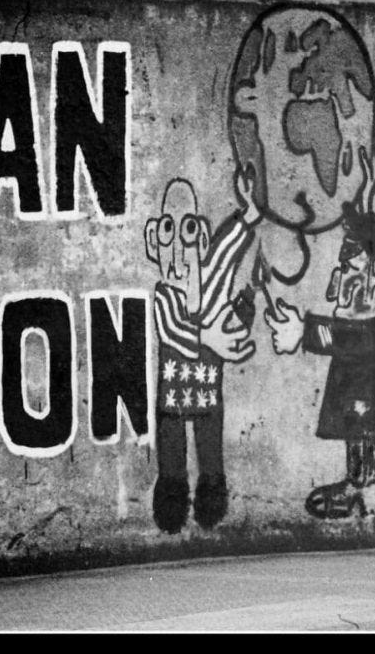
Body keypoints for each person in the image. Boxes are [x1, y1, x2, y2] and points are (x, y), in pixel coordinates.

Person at [266, 201, 375, 519]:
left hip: (369, 376)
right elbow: (347, 335)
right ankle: (359, 483)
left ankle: (363, 485)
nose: (342, 277)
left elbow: (354, 338)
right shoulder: (357, 294)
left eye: (351, 265)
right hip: (357, 373)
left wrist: (303, 331)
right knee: (356, 427)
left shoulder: (374, 317)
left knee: (364, 426)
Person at [143, 169, 259, 533]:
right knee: (172, 452)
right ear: (153, 240)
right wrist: (210, 337)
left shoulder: (213, 280)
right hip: (173, 395)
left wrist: (249, 212)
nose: (179, 245)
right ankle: (172, 501)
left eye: (188, 229)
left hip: (207, 391)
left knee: (210, 451)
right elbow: (172, 330)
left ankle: (211, 500)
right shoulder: (164, 293)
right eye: (168, 230)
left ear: (202, 236)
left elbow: (228, 249)